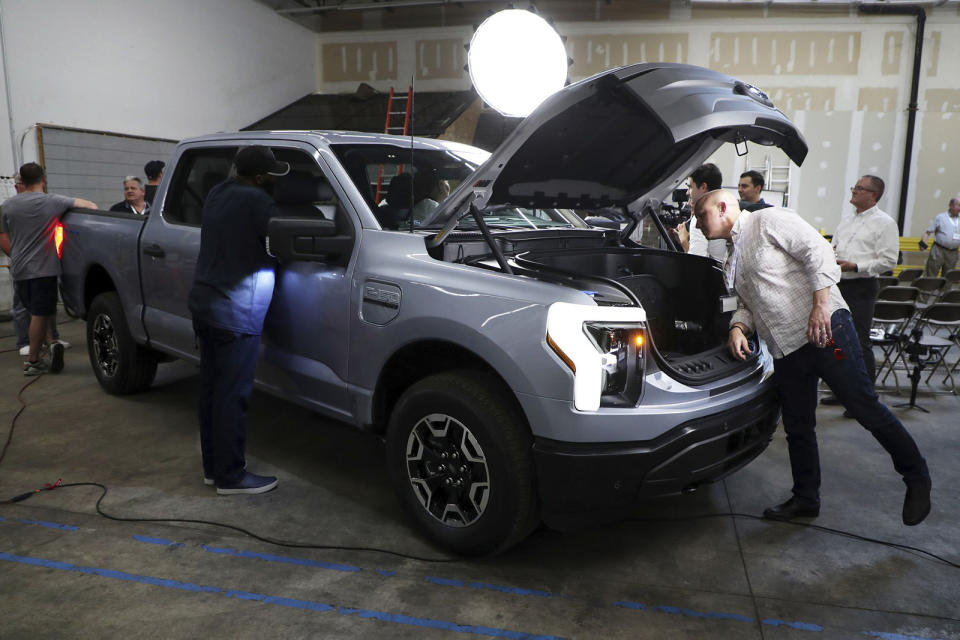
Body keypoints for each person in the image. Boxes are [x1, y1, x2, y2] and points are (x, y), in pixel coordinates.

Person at [693, 189, 931, 526]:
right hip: (787, 350)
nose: (698, 223)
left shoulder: (768, 220)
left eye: (701, 214)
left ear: (721, 207)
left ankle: (917, 476)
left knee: (863, 405)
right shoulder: (734, 255)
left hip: (827, 334)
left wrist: (821, 306)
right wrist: (738, 327)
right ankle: (806, 498)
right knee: (798, 426)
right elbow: (747, 302)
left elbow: (818, 251)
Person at [188, 145, 289, 495]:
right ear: (260, 178)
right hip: (236, 311)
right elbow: (283, 243)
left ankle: (214, 469)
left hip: (205, 303)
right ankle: (231, 476)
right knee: (233, 395)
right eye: (270, 176)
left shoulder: (217, 193)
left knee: (213, 392)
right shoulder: (259, 202)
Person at [0, 163, 97, 375]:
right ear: (42, 179)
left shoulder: (8, 205)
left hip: (19, 269)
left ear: (22, 182)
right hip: (43, 270)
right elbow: (90, 206)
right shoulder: (52, 201)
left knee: (35, 312)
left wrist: (15, 253)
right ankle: (33, 361)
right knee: (40, 313)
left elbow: (4, 235)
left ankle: (51, 344)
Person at [820, 175, 898, 409]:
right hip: (839, 284)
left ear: (873, 195)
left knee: (859, 342)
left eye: (860, 188)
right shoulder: (846, 220)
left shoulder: (885, 223)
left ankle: (865, 400)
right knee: (835, 340)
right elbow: (836, 247)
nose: (854, 191)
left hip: (861, 287)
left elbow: (889, 261)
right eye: (855, 187)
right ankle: (842, 390)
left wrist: (856, 265)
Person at [680, 163, 727, 262]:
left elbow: (696, 264)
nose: (687, 192)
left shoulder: (701, 217)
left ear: (703, 187)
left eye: (690, 187)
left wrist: (684, 242)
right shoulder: (726, 209)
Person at [918, 198, 960, 277]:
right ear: (950, 205)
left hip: (953, 252)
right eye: (959, 206)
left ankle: (945, 290)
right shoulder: (940, 217)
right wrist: (923, 243)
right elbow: (927, 233)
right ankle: (928, 289)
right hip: (938, 250)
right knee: (931, 274)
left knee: (949, 276)